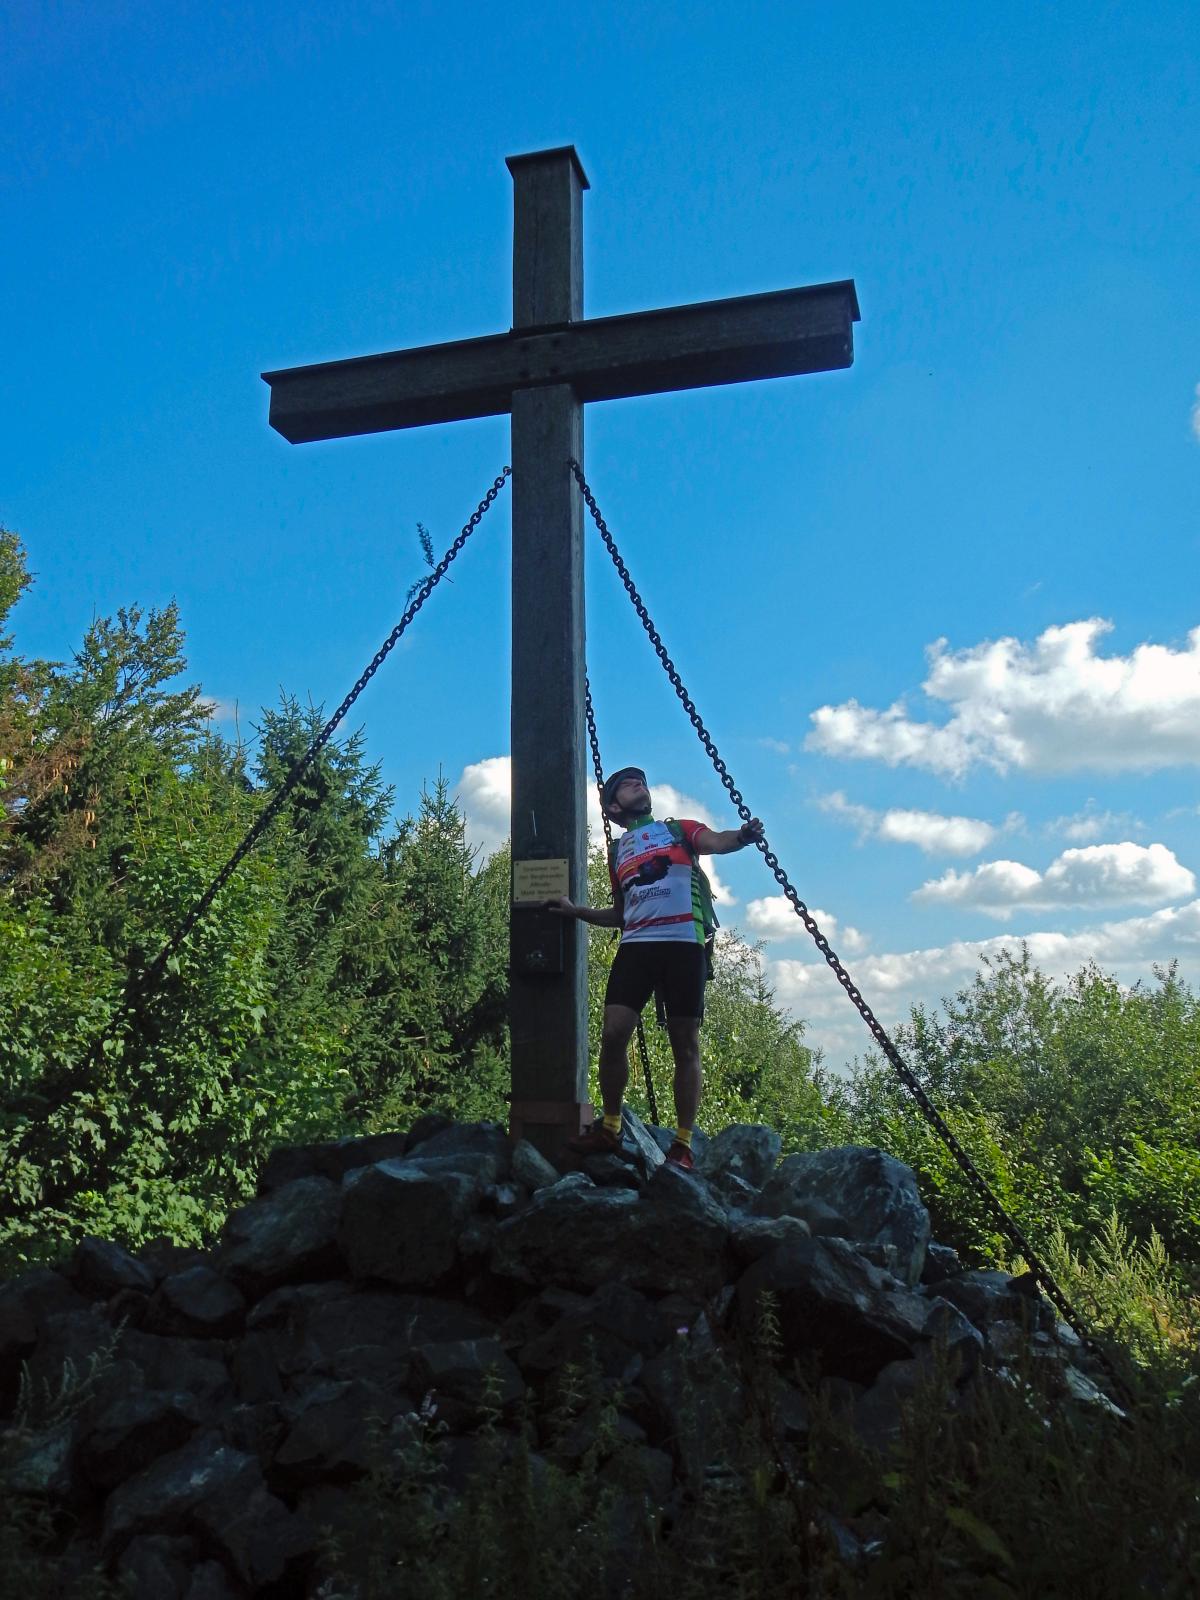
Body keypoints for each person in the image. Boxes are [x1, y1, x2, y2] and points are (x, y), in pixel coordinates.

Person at [549, 766, 763, 1171]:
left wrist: (744, 836)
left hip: (684, 944)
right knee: (613, 1034)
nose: (639, 785)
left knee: (685, 1042)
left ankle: (682, 1144)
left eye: (641, 782)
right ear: (613, 806)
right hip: (637, 946)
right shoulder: (619, 852)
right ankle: (610, 1127)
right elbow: (620, 913)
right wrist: (576, 911)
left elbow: (717, 841)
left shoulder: (679, 830)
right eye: (628, 785)